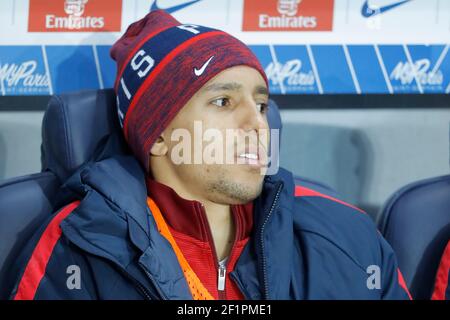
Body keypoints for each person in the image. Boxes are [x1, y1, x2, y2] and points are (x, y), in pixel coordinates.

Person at [9, 10, 411, 300]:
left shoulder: (350, 237)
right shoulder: (78, 247)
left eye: (261, 103)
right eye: (223, 102)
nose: (258, 124)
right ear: (160, 137)